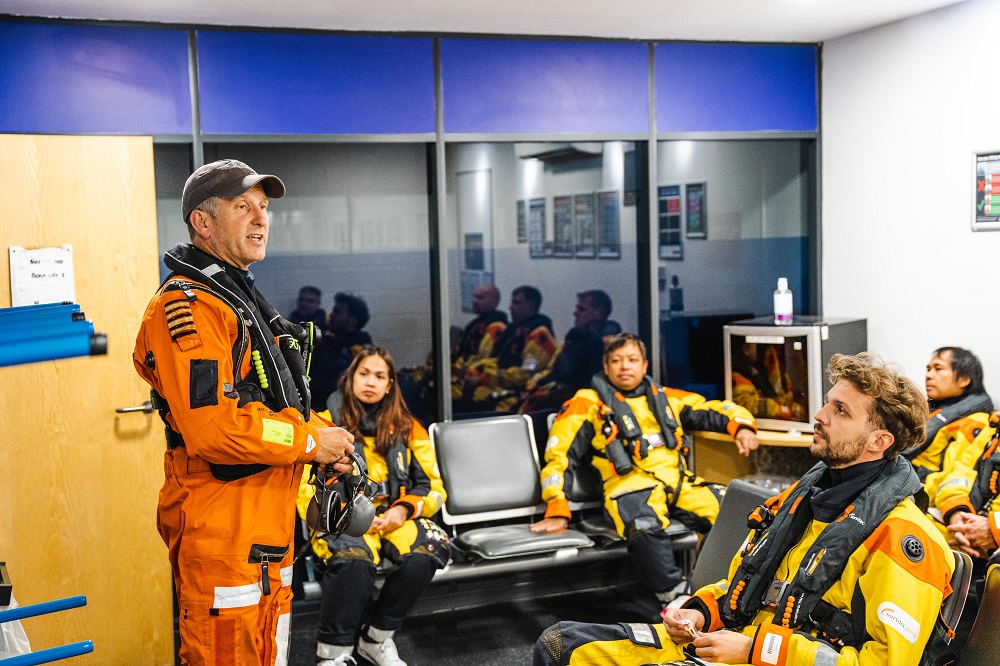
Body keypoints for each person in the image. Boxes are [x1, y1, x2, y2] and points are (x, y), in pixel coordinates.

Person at [534, 352, 956, 666]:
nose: (819, 415)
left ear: (878, 441)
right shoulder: (800, 501)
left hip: (760, 655)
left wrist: (758, 651)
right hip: (730, 640)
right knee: (561, 645)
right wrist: (697, 611)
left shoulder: (904, 537)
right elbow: (743, 587)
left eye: (839, 410)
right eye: (828, 402)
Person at [133, 159, 356, 666]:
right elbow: (213, 428)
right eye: (242, 207)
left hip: (267, 521)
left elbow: (273, 402)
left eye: (263, 207)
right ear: (202, 223)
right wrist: (308, 444)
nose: (260, 218)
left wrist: (328, 438)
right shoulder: (189, 309)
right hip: (222, 522)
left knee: (269, 652)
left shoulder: (239, 298)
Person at [531, 333, 758, 605]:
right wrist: (557, 508)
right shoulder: (587, 403)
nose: (624, 366)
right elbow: (560, 455)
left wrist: (743, 427)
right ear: (605, 367)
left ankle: (718, 589)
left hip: (680, 483)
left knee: (738, 515)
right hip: (629, 486)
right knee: (644, 525)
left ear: (645, 365)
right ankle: (676, 599)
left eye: (632, 360)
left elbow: (716, 409)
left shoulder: (667, 398)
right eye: (616, 361)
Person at [297, 346, 449, 666]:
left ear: (391, 384)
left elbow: (434, 488)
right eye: (363, 374)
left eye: (380, 376)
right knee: (354, 560)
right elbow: (303, 486)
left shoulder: (408, 427)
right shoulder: (322, 424)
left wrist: (402, 511)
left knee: (431, 548)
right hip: (343, 517)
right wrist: (334, 516)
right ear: (350, 378)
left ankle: (375, 638)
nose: (371, 382)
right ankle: (333, 655)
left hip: (393, 517)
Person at [458, 285, 557, 413]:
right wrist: (478, 370)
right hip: (499, 385)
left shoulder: (540, 336)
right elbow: (497, 360)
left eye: (516, 303)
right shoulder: (514, 330)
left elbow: (526, 374)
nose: (510, 307)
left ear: (531, 306)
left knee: (470, 398)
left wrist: (488, 377)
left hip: (516, 395)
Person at [520, 289, 621, 413]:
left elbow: (572, 377)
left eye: (581, 309)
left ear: (599, 314)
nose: (575, 313)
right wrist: (535, 385)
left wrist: (544, 391)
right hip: (559, 399)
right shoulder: (574, 339)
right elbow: (554, 371)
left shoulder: (608, 345)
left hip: (578, 406)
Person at [907, 346, 993, 481]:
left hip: (920, 496)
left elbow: (953, 480)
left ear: (964, 379)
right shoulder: (931, 409)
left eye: (938, 368)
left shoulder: (974, 423)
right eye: (928, 369)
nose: (929, 375)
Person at [310, 291, 374, 409]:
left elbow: (327, 383)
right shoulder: (328, 339)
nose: (331, 315)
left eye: (337, 312)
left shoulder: (359, 348)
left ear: (352, 321)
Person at [731, 340, 807, 422]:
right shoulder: (739, 374)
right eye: (759, 347)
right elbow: (744, 403)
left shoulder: (762, 371)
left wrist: (793, 407)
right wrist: (780, 410)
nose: (770, 353)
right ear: (746, 349)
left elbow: (779, 395)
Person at [454, 283, 507, 362]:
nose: (474, 301)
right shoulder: (475, 323)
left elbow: (485, 357)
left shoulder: (497, 326)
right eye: (475, 296)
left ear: (494, 301)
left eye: (480, 298)